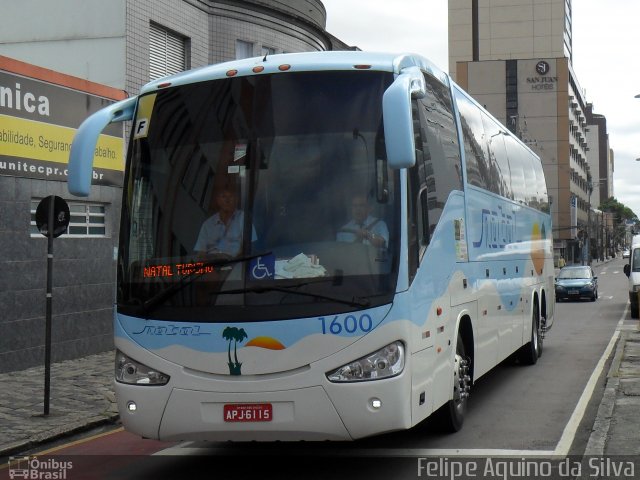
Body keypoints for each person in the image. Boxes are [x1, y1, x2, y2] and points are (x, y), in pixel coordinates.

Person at [194, 187, 255, 256]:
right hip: (212, 264)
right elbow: (201, 253)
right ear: (218, 200)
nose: (227, 200)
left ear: (236, 199)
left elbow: (250, 247)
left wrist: (232, 260)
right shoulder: (208, 224)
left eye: (231, 196)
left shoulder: (243, 218)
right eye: (223, 196)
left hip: (237, 263)